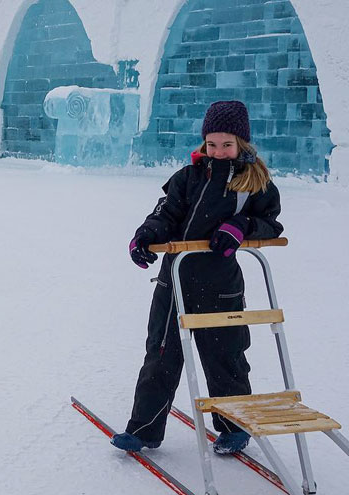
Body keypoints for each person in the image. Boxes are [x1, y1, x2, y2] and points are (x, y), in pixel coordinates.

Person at [111, 100, 283, 455]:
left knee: (226, 357)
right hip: (173, 282)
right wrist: (145, 235)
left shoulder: (253, 184)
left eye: (227, 144)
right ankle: (143, 430)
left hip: (220, 288)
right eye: (212, 144)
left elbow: (270, 223)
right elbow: (165, 213)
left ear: (242, 144)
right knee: (160, 355)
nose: (218, 152)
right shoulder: (187, 178)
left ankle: (233, 427)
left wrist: (242, 225)